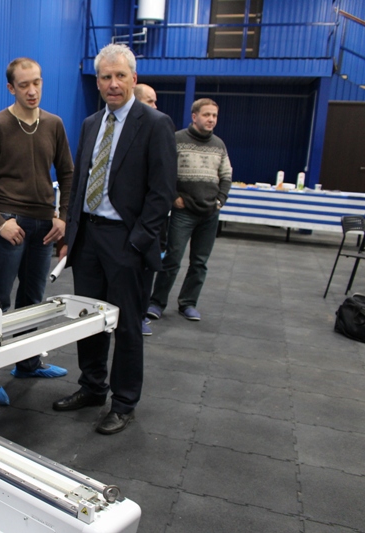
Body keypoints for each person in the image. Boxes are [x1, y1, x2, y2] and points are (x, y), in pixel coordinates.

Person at [52, 43, 176, 435]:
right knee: (89, 320)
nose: (113, 84)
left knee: (126, 326)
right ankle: (92, 387)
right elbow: (79, 182)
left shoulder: (154, 124)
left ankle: (123, 403)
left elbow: (162, 192)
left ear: (133, 79)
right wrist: (72, 232)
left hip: (126, 241)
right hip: (89, 237)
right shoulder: (91, 123)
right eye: (105, 77)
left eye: (120, 76)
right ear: (98, 82)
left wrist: (138, 241)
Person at [0, 58, 74, 406]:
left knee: (32, 299)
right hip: (10, 223)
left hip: (45, 226)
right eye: (24, 85)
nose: (32, 91)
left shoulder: (54, 124)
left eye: (36, 83)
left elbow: (68, 173)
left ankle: (27, 364)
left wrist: (63, 217)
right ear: (11, 88)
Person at [147, 98, 232, 322]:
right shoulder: (177, 139)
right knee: (172, 259)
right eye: (206, 115)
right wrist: (174, 197)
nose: (211, 119)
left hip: (210, 213)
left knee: (200, 262)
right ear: (194, 117)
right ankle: (156, 303)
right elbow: (165, 171)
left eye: (214, 115)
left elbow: (226, 176)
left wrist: (219, 202)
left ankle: (188, 303)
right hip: (183, 212)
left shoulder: (219, 145)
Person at [133, 83, 159, 337]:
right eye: (150, 101)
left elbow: (161, 188)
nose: (155, 106)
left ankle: (140, 316)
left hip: (144, 226)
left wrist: (144, 233)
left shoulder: (158, 128)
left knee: (144, 274)